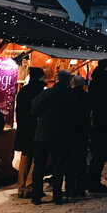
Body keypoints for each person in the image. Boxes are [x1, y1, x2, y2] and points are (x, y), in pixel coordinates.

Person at [31, 70, 76, 205]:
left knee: (39, 166)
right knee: (58, 167)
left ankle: (36, 196)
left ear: (57, 79)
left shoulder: (47, 93)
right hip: (61, 136)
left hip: (43, 134)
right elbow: (75, 116)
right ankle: (57, 196)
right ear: (68, 81)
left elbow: (34, 109)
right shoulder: (71, 96)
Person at [14, 67, 46, 199]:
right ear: (41, 77)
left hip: (23, 128)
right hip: (36, 128)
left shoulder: (23, 91)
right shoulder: (40, 91)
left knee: (25, 156)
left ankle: (21, 188)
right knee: (36, 158)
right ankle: (30, 186)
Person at [87, 58, 107, 193]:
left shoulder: (95, 81)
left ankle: (92, 181)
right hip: (104, 123)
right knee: (100, 154)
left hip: (98, 122)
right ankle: (94, 183)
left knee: (97, 155)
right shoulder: (105, 81)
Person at [65, 75, 91, 200]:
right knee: (81, 160)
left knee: (70, 161)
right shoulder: (86, 96)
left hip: (70, 132)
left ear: (72, 83)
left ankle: (70, 188)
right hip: (83, 131)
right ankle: (81, 187)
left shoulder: (68, 95)